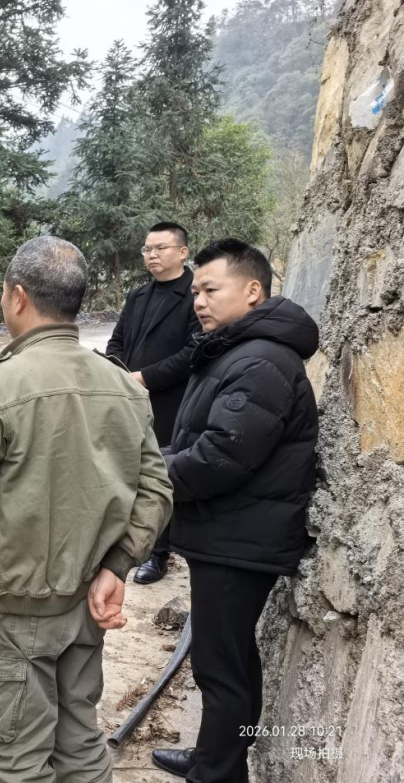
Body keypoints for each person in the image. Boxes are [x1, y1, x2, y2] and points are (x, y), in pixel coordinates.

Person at [0, 236, 173, 783]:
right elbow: (156, 490)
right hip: (89, 597)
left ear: (17, 297)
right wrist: (117, 565)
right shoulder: (122, 385)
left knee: (17, 758)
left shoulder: (1, 386)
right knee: (80, 740)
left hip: (15, 606)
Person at [151, 239, 318, 783]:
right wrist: (163, 457)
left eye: (209, 289)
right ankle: (217, 758)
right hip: (232, 532)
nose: (198, 301)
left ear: (252, 290)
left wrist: (149, 473)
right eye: (195, 292)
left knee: (219, 667)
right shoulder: (240, 350)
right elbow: (202, 440)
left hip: (238, 538)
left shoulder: (261, 360)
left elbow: (220, 456)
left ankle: (217, 773)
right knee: (233, 659)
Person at [106, 222, 200, 585]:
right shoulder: (138, 296)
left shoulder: (193, 295)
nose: (152, 255)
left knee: (160, 473)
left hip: (171, 401)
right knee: (125, 468)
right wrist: (117, 372)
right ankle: (123, 539)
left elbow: (193, 351)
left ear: (183, 252)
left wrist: (145, 377)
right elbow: (116, 341)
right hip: (129, 399)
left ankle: (158, 552)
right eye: (147, 249)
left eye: (161, 248)